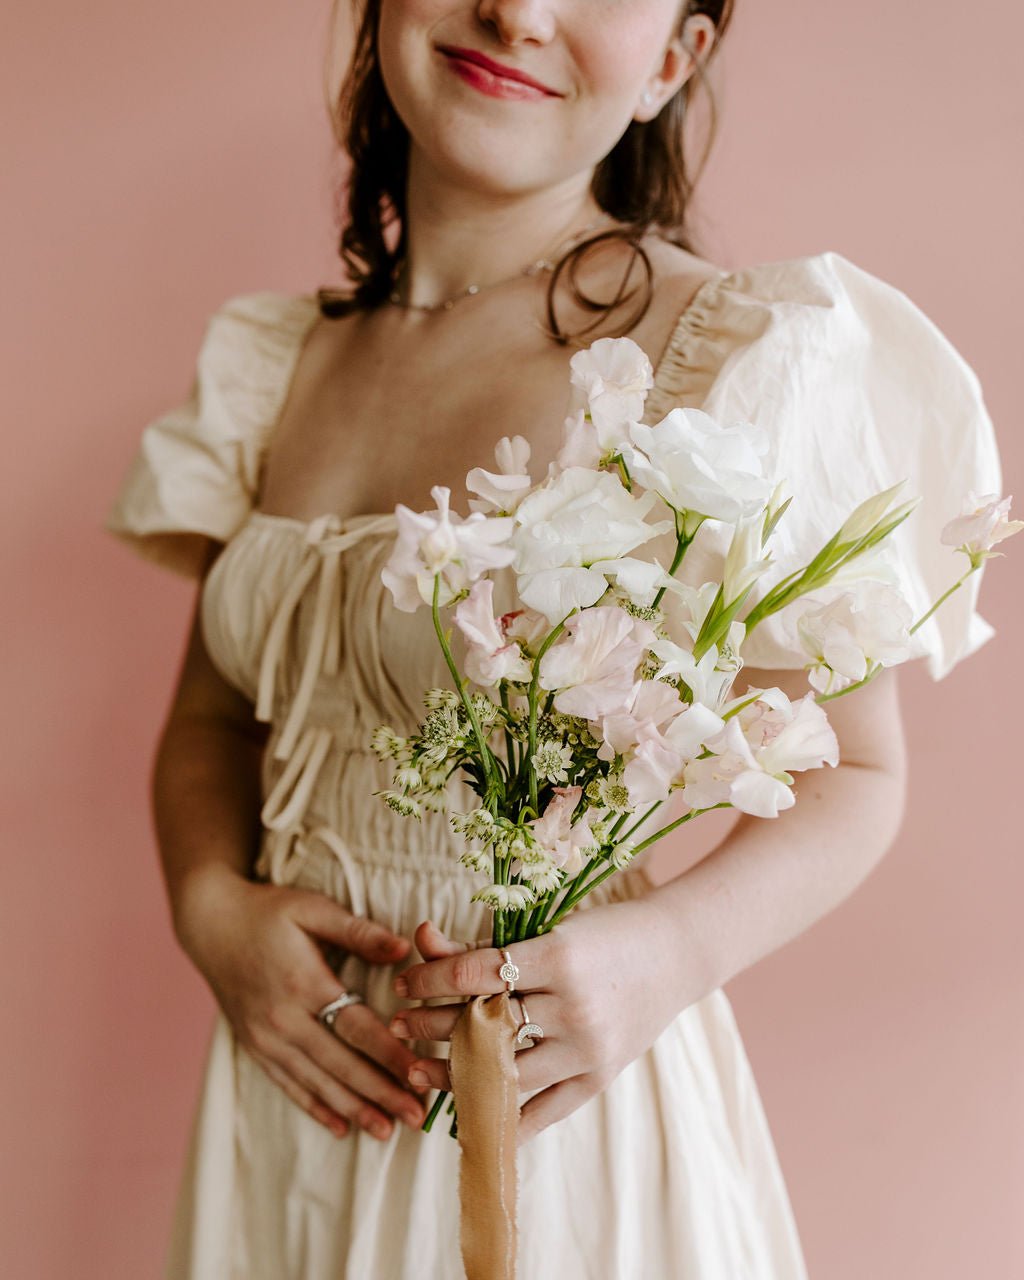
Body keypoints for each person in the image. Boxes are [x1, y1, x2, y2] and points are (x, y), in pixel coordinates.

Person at [104, 1, 1002, 1277]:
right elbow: (211, 715)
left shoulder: (727, 361)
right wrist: (211, 908)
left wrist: (668, 956)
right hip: (288, 1098)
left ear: (675, 59)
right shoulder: (279, 361)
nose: (516, 10)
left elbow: (856, 772)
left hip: (549, 1120)